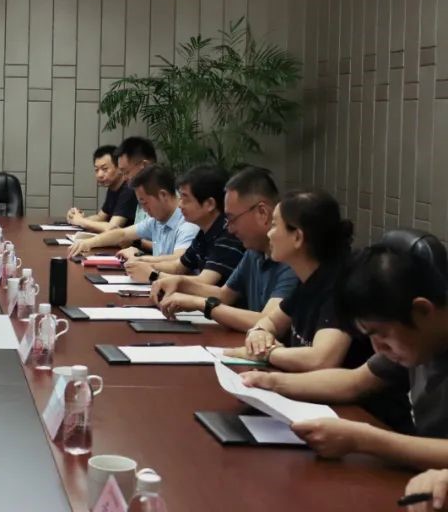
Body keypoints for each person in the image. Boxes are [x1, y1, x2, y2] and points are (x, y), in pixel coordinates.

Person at [241, 243, 448, 465]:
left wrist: (365, 441)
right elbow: (354, 382)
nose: (378, 349)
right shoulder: (417, 340)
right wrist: (272, 382)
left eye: (382, 334)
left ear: (422, 310)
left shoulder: (415, 342)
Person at [221, 190, 371, 372]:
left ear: (297, 237)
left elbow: (321, 360)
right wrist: (259, 333)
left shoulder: (340, 285)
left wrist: (266, 353)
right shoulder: (308, 279)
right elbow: (271, 322)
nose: (269, 234)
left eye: (274, 225)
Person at [154, 166, 298, 332]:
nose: (229, 228)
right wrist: (180, 283)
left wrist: (201, 304)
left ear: (262, 213)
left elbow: (268, 322)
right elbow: (224, 295)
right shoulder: (253, 252)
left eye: (232, 219)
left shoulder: (292, 259)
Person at [122, 165, 244, 284]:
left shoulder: (227, 234)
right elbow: (178, 266)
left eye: (185, 199)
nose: (180, 205)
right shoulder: (203, 233)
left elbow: (204, 282)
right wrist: (141, 263)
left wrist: (153, 275)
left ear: (209, 204)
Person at [67, 165, 198, 261]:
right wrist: (88, 243)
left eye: (144, 203)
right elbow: (122, 234)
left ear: (163, 195)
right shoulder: (156, 220)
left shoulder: (188, 223)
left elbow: (179, 261)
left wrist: (140, 258)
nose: (144, 209)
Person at [65, 145, 137, 233]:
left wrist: (81, 221)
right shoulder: (113, 188)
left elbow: (112, 228)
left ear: (119, 168)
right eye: (96, 170)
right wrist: (75, 217)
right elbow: (101, 217)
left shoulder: (128, 190)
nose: (99, 175)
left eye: (105, 169)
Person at [114, 136, 157, 227]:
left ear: (144, 165)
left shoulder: (161, 198)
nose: (124, 178)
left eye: (126, 172)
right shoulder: (140, 192)